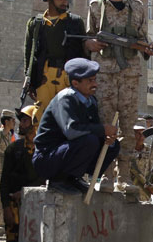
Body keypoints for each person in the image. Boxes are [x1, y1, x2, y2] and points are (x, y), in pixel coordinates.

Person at [86, 0, 153, 194]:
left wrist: (145, 46)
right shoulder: (96, 7)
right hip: (104, 75)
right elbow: (88, 38)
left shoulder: (136, 6)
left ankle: (123, 176)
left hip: (129, 75)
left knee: (127, 126)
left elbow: (143, 38)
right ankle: (106, 175)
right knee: (106, 125)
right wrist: (92, 44)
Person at [32, 58, 120, 194]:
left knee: (112, 146)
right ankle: (58, 180)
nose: (95, 84)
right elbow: (72, 130)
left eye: (94, 80)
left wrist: (107, 137)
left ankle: (74, 178)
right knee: (89, 140)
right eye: (90, 81)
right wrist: (102, 129)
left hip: (67, 151)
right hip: (48, 158)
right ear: (75, 83)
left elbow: (94, 128)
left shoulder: (91, 101)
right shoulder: (65, 99)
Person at [24, 0, 88, 123]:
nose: (65, 2)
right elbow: (29, 53)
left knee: (67, 119)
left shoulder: (75, 22)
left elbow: (83, 53)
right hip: (44, 77)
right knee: (41, 120)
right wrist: (29, 80)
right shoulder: (36, 24)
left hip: (67, 77)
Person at [0, 105, 45, 242]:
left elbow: (45, 178)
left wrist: (25, 192)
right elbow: (4, 182)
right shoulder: (13, 149)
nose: (21, 124)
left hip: (37, 208)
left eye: (26, 120)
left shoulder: (44, 150)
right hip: (15, 208)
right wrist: (6, 209)